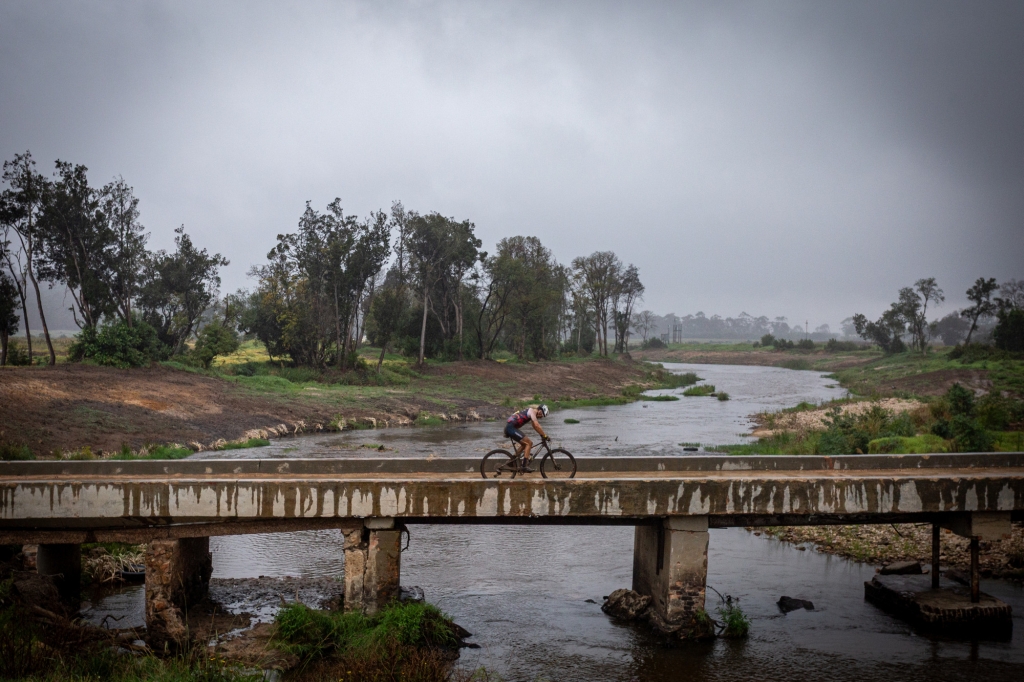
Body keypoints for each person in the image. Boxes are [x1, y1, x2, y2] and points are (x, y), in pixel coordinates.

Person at [504, 404, 549, 469]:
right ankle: (524, 465)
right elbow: (537, 425)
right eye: (542, 415)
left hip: (510, 428)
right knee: (529, 443)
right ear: (540, 411)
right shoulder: (532, 412)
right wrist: (545, 435)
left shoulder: (531, 413)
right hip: (511, 428)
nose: (541, 417)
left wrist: (542, 435)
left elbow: (535, 427)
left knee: (524, 444)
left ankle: (511, 461)